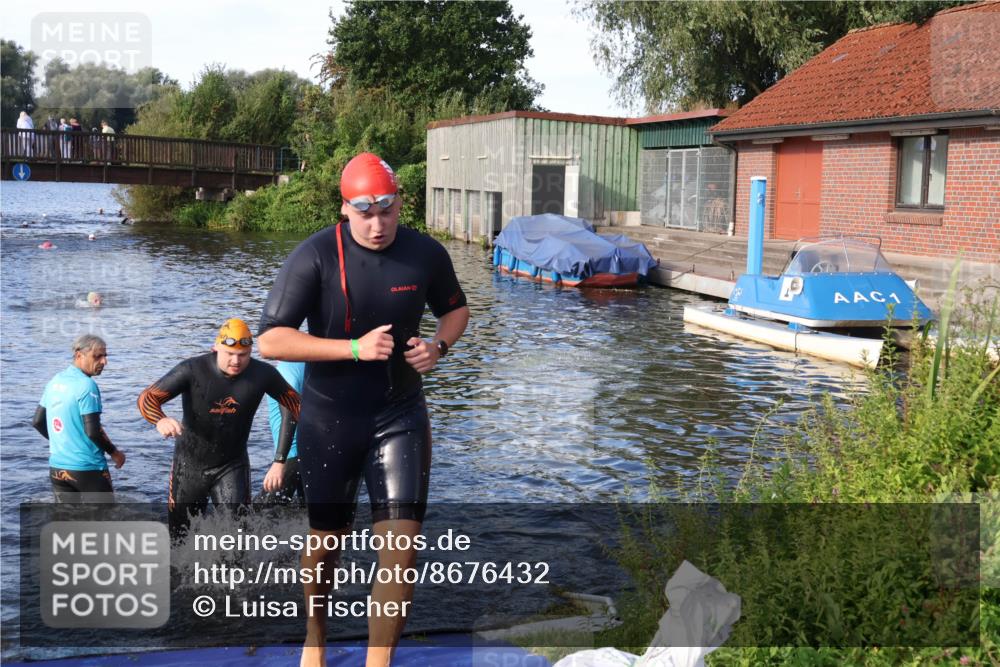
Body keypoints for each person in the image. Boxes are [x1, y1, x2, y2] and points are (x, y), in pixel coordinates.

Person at [257, 152, 470, 667]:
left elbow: (456, 310)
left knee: (401, 552)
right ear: (345, 208)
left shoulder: (425, 253)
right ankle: (315, 636)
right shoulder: (314, 257)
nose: (378, 226)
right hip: (330, 419)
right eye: (365, 213)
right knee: (326, 543)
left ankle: (379, 663)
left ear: (400, 205)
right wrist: (351, 348)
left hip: (400, 415)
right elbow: (271, 340)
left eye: (388, 211)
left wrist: (437, 349)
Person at [136, 318, 301, 535]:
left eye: (243, 355)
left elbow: (293, 404)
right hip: (189, 467)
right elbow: (147, 398)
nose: (236, 361)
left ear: (251, 351)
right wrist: (160, 419)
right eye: (229, 354)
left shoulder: (263, 374)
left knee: (237, 535)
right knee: (179, 538)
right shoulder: (192, 369)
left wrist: (280, 460)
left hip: (232, 465)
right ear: (215, 348)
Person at [33, 335, 126, 502]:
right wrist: (115, 453)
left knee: (66, 521)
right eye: (97, 356)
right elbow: (93, 431)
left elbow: (38, 422)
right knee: (107, 522)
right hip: (88, 469)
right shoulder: (87, 385)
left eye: (105, 356)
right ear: (78, 355)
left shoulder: (55, 381)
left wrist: (64, 443)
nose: (104, 362)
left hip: (57, 468)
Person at [257, 360, 305, 505]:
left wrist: (279, 462)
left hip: (291, 454)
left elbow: (290, 415)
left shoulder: (285, 371)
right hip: (313, 452)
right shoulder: (308, 366)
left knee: (258, 516)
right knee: (309, 515)